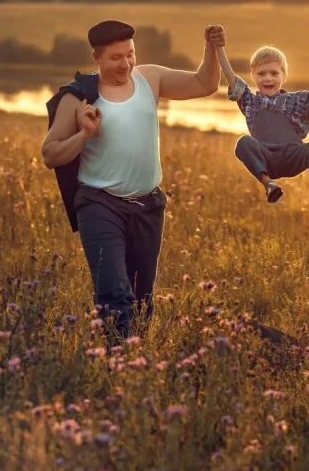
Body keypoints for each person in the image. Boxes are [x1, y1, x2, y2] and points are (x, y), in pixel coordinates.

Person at [41, 20, 226, 341]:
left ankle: (133, 365)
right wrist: (85, 134)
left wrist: (212, 49)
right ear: (96, 58)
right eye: (116, 57)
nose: (125, 64)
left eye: (130, 55)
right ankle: (116, 368)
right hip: (100, 205)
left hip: (148, 206)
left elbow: (203, 84)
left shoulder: (149, 78)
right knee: (114, 294)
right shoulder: (79, 97)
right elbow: (50, 154)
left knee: (141, 301)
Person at [216, 42, 309, 222]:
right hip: (266, 159)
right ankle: (269, 184)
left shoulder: (295, 101)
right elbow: (230, 77)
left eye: (274, 73)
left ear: (284, 76)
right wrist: (219, 47)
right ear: (253, 76)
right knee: (243, 143)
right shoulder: (250, 101)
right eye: (261, 74)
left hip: (292, 156)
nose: (268, 78)